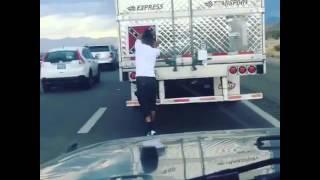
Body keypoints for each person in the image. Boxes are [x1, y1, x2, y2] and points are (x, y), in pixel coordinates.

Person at [135, 29, 161, 136]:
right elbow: (156, 48)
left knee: (145, 105)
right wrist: (156, 43)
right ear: (152, 41)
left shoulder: (139, 47)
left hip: (141, 80)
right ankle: (153, 128)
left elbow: (138, 38)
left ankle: (148, 129)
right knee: (152, 104)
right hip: (151, 79)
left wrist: (143, 35)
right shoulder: (155, 51)